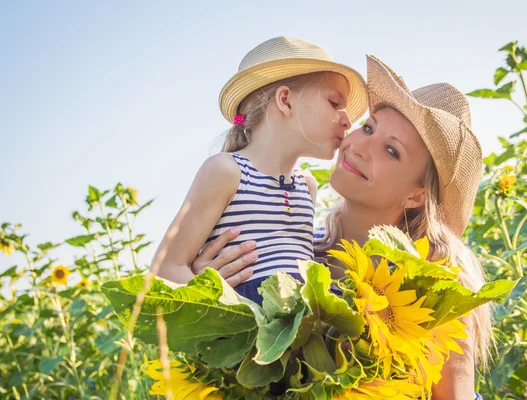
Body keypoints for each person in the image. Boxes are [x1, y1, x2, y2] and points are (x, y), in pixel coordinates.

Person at [191, 54, 490, 400]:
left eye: (391, 151)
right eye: (368, 127)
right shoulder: (299, 257)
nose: (360, 146)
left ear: (416, 195)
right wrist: (203, 289)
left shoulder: (435, 286)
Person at [152, 36, 368, 304]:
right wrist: (223, 305)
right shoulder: (227, 171)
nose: (348, 121)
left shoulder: (306, 185)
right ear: (285, 101)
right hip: (242, 329)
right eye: (334, 103)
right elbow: (166, 268)